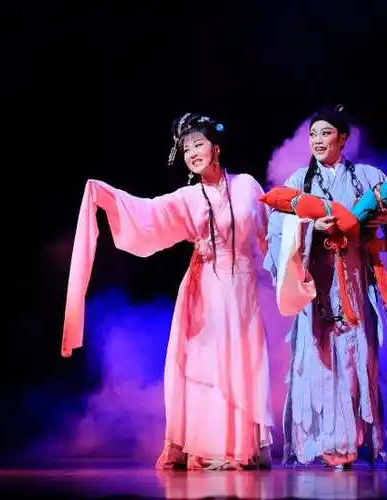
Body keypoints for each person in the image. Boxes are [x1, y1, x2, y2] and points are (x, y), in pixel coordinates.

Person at [61, 113, 275, 470]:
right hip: (205, 288)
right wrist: (108, 196)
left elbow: (272, 231)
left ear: (216, 148)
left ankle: (245, 444)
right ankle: (210, 444)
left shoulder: (246, 186)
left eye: (198, 144)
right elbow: (147, 213)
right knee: (206, 362)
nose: (192, 153)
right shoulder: (187, 197)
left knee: (243, 360)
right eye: (186, 149)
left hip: (242, 288)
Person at [264, 106, 387, 469]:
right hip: (316, 283)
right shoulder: (299, 180)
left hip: (354, 282)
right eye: (313, 134)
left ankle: (349, 442)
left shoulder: (367, 177)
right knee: (317, 359)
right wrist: (310, 228)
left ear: (342, 139)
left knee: (355, 358)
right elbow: (276, 228)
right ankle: (323, 444)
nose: (317, 141)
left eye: (325, 133)